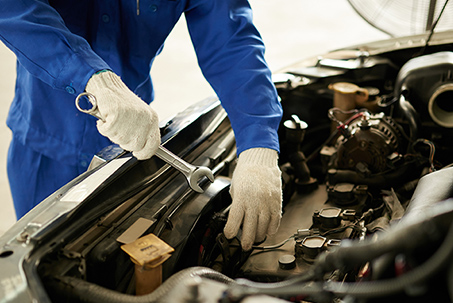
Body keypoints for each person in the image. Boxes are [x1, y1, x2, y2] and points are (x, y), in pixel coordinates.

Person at [0, 0, 283, 251]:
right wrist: (91, 76)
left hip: (129, 145)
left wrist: (259, 145)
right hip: (44, 144)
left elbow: (231, 43)